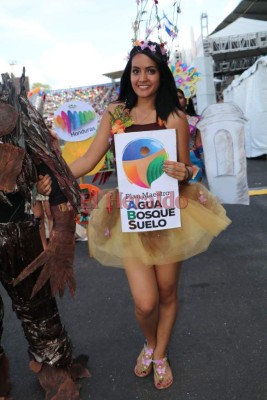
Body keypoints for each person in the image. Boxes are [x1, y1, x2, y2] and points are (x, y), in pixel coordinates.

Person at [58, 40, 231, 391]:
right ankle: (148, 342)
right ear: (129, 75)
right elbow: (89, 160)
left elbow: (189, 168)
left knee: (167, 292)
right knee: (145, 301)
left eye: (150, 70)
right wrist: (53, 172)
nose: (142, 77)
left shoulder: (174, 117)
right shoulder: (116, 115)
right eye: (136, 71)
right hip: (131, 218)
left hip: (170, 215)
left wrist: (184, 171)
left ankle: (160, 352)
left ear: (160, 74)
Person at [0, 71, 90, 400]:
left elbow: (53, 171)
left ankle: (53, 367)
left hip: (19, 233)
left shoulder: (19, 112)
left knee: (39, 308)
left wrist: (63, 238)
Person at [176, 88, 204, 182]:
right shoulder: (163, 120)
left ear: (186, 100)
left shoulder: (196, 120)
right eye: (173, 98)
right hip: (172, 160)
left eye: (179, 97)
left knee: (193, 188)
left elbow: (199, 143)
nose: (176, 100)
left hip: (192, 158)